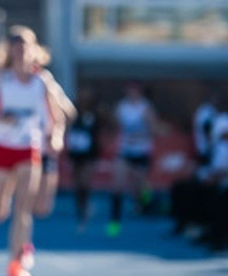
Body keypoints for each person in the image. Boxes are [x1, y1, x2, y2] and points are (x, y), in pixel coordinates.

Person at [0, 26, 68, 276]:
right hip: (2, 147)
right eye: (16, 47)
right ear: (9, 50)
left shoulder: (42, 81)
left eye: (25, 47)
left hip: (29, 148)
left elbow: (58, 118)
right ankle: (18, 244)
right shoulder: (0, 78)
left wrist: (56, 137)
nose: (21, 51)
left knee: (23, 210)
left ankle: (16, 262)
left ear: (34, 50)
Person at [108, 82, 161, 237]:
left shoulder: (146, 107)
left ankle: (147, 204)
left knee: (139, 188)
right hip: (125, 151)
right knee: (117, 186)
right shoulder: (121, 107)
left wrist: (147, 127)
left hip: (142, 151)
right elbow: (114, 125)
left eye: (135, 90)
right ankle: (114, 222)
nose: (131, 92)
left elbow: (154, 128)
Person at [33, 55, 76, 220]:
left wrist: (56, 134)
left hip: (44, 145)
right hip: (19, 145)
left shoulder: (45, 80)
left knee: (42, 205)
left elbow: (69, 113)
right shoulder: (8, 79)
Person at [66, 87, 102, 232]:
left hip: (89, 152)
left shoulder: (96, 113)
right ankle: (80, 206)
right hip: (75, 151)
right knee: (77, 181)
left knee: (85, 180)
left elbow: (102, 129)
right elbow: (67, 126)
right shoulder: (72, 111)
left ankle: (86, 206)